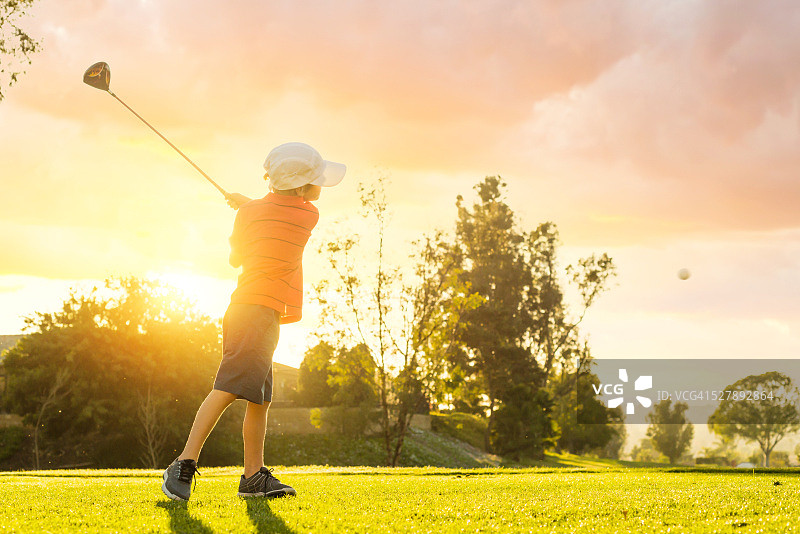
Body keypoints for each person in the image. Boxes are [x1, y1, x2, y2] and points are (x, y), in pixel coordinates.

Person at [161, 142, 346, 501]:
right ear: (300, 187)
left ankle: (253, 477)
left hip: (250, 310)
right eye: (316, 179)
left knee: (259, 399)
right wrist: (249, 205)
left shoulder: (250, 214)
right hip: (256, 313)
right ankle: (183, 462)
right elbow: (278, 212)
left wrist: (248, 208)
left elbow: (236, 258)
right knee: (229, 387)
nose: (321, 185)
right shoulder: (308, 215)